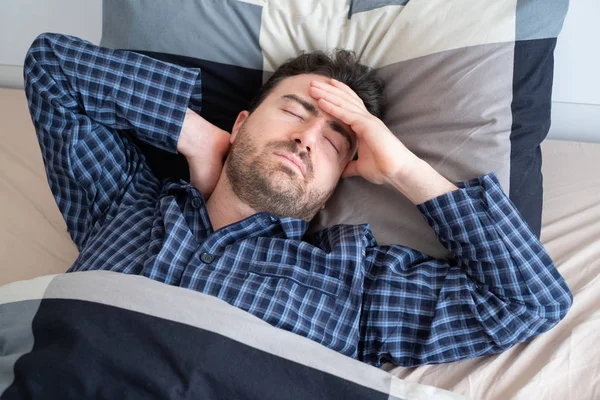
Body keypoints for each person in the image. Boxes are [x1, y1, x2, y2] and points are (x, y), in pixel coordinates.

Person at [23, 33, 572, 368]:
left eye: (337, 139)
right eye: (292, 110)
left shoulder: (356, 281)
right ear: (240, 124)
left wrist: (404, 168)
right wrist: (197, 136)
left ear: (339, 182)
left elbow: (530, 302)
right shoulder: (124, 200)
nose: (308, 137)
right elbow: (52, 67)